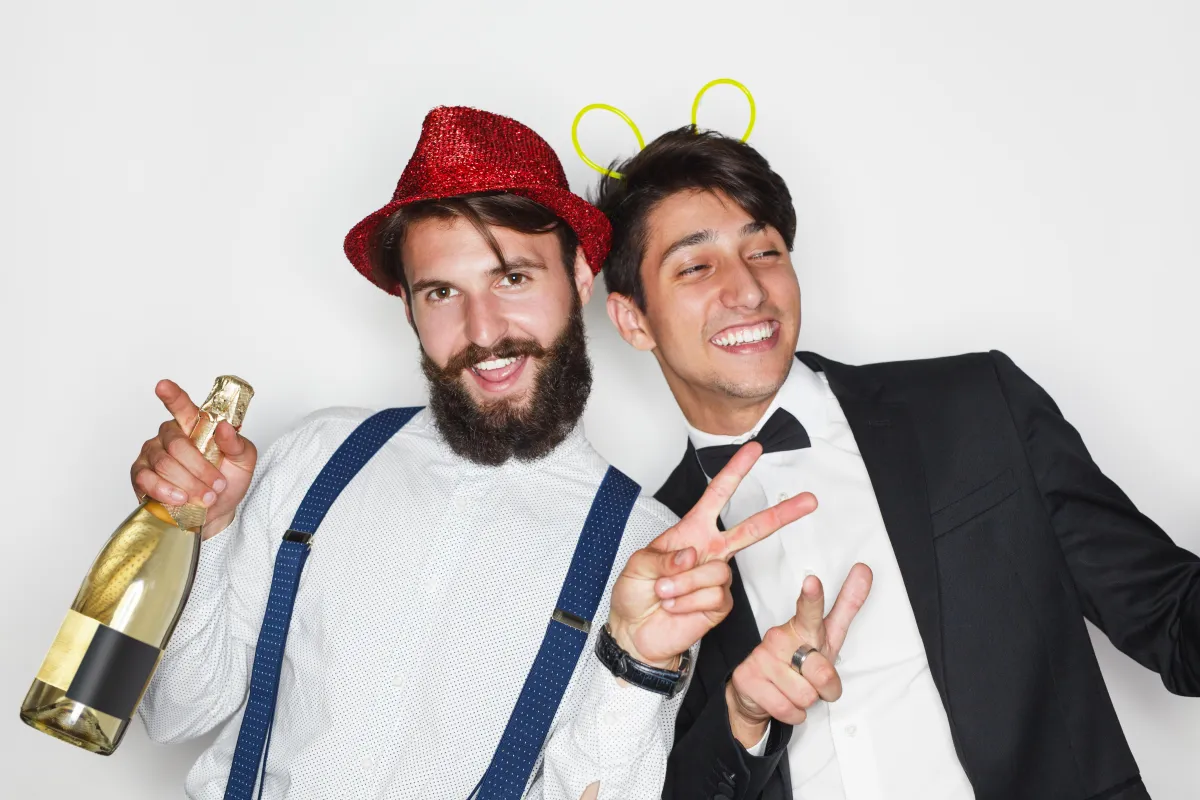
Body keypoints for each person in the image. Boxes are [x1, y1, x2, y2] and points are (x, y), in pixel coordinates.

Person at [128, 108, 814, 800]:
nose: (483, 331)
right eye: (442, 292)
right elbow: (172, 713)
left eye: (512, 278)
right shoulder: (318, 457)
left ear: (579, 276)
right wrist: (201, 533)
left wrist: (635, 664)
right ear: (408, 308)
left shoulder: (647, 548)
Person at [593, 126, 1200, 800]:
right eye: (696, 266)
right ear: (632, 321)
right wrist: (742, 718)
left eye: (763, 250)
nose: (747, 289)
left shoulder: (976, 408)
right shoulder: (643, 556)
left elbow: (1172, 617)